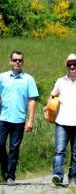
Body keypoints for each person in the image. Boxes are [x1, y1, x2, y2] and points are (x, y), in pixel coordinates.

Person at [46, 53, 76, 187]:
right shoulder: (60, 81)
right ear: (66, 66)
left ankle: (74, 179)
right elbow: (52, 95)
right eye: (69, 64)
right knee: (60, 150)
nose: (72, 66)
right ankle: (58, 176)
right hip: (61, 122)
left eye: (74, 64)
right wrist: (48, 108)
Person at [0, 50, 39, 185]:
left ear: (23, 62)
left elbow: (32, 100)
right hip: (3, 118)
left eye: (20, 60)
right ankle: (4, 171)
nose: (17, 62)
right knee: (0, 145)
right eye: (15, 60)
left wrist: (30, 120)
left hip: (19, 119)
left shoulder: (28, 79)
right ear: (10, 61)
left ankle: (10, 176)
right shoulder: (2, 77)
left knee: (14, 148)